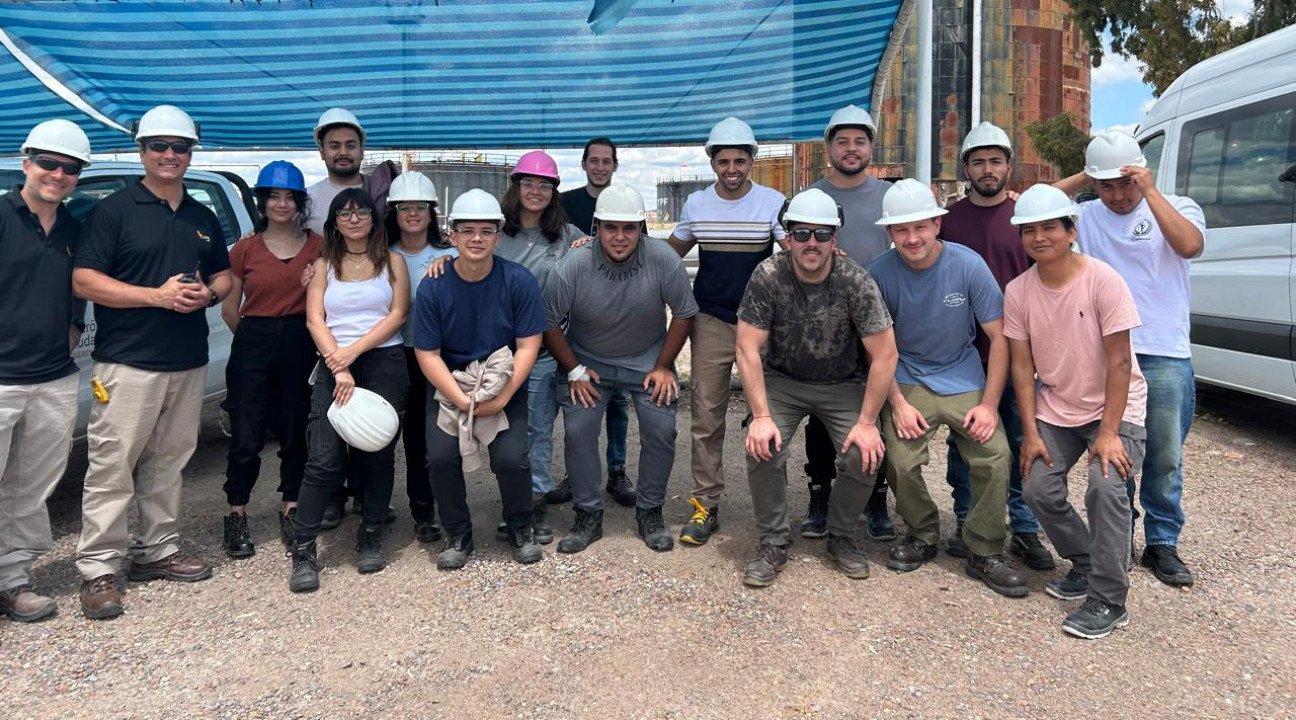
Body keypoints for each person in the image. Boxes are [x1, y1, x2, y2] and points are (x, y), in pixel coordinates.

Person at [73, 105, 231, 619]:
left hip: (187, 360)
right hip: (128, 362)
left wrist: (206, 294)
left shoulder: (203, 216)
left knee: (170, 460)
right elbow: (85, 282)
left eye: (179, 147)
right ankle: (98, 568)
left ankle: (157, 550)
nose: (169, 155)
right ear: (141, 151)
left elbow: (225, 279)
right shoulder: (113, 211)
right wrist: (155, 297)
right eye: (159, 146)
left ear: (190, 154)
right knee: (112, 464)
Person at [1054, 132, 1205, 588]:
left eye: (1126, 184)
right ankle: (1123, 536)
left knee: (1163, 455)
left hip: (1162, 351)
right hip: (1104, 352)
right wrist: (1090, 174)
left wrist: (1151, 191)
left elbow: (1190, 246)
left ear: (1142, 173)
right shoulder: (1084, 214)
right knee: (1117, 453)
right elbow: (1034, 202)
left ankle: (1163, 542)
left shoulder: (1177, 205)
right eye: (1107, 186)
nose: (1118, 196)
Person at [870, 179, 1027, 598]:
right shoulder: (880, 273)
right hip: (906, 377)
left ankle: (984, 547)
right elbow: (878, 351)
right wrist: (898, 404)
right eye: (901, 230)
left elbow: (1000, 338)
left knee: (994, 455)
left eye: (920, 227)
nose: (912, 238)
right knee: (900, 459)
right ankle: (921, 534)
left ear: (938, 224)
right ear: (889, 233)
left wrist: (990, 404)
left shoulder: (968, 264)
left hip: (963, 377)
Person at [1004, 184, 1148, 639]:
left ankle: (1108, 599)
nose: (1039, 237)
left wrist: (1109, 434)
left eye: (1050, 227)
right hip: (1058, 406)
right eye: (1030, 230)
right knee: (1037, 487)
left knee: (1106, 487)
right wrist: (1030, 432)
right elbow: (1022, 368)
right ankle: (1087, 561)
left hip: (1116, 407)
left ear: (1071, 230)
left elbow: (1121, 362)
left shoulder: (1103, 280)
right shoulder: (1018, 290)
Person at [735, 188, 897, 586]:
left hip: (843, 383)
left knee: (864, 453)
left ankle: (840, 535)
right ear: (787, 236)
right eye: (802, 233)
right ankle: (773, 541)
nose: (812, 243)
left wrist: (867, 421)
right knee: (763, 444)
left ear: (834, 239)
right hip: (784, 381)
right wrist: (759, 416)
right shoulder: (768, 276)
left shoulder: (855, 281)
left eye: (822, 234)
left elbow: (885, 354)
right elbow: (747, 347)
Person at [544, 185, 698, 553]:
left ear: (642, 229)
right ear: (596, 228)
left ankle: (650, 511)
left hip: (647, 361)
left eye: (629, 228)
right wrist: (574, 369)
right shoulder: (573, 266)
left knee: (661, 429)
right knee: (579, 430)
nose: (620, 237)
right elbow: (548, 321)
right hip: (588, 363)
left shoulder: (663, 259)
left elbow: (685, 312)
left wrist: (664, 366)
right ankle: (587, 513)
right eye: (610, 227)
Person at [667, 116, 787, 546]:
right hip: (712, 321)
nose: (731, 168)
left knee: (771, 415)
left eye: (739, 160)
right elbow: (669, 254)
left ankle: (772, 512)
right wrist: (604, 248)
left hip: (762, 324)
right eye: (723, 161)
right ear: (712, 163)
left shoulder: (773, 202)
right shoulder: (697, 205)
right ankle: (705, 505)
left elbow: (795, 251)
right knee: (706, 415)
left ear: (752, 161)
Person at [939, 122, 1054, 571]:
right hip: (965, 356)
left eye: (995, 161)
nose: (987, 170)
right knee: (967, 443)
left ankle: (1024, 528)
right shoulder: (947, 221)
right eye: (978, 162)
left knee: (1023, 438)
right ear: (966, 167)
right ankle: (968, 522)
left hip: (1020, 352)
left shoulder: (1027, 219)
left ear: (1010, 165)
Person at [414, 189, 546, 570]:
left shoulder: (517, 281)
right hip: (450, 383)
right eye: (467, 230)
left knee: (511, 458)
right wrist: (457, 398)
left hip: (501, 380)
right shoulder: (434, 286)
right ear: (451, 235)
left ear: (498, 237)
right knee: (439, 457)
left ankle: (521, 526)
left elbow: (527, 346)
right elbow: (428, 353)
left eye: (486, 231)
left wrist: (503, 398)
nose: (476, 238)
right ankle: (457, 532)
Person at [288, 188, 410, 593]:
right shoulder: (323, 265)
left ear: (374, 219)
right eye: (345, 213)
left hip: (382, 363)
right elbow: (313, 318)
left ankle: (371, 531)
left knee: (376, 452)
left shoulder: (392, 262)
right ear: (335, 222)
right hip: (332, 363)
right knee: (323, 457)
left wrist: (353, 352)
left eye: (361, 211)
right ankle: (304, 548)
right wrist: (337, 363)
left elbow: (397, 315)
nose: (354, 218)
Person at [0, 120, 91, 622]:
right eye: (50, 163)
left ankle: (13, 581)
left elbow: (80, 287)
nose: (59, 174)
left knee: (29, 488)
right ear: (26, 161)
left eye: (70, 168)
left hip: (54, 375)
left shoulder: (76, 231)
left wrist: (76, 325)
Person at [801, 104, 896, 541]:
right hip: (824, 321)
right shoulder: (812, 196)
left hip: (879, 322)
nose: (852, 149)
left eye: (860, 141)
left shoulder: (889, 197)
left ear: (871, 147)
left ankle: (874, 495)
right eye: (843, 141)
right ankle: (820, 491)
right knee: (821, 413)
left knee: (871, 412)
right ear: (829, 148)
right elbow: (793, 251)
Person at [219, 160, 322, 558]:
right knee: (247, 435)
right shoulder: (244, 248)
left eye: (289, 197)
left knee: (297, 430)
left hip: (300, 337)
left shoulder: (318, 245)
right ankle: (236, 512)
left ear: (299, 202)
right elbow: (231, 309)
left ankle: (291, 507)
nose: (281, 204)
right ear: (262, 202)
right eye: (273, 197)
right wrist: (253, 343)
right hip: (254, 340)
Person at [557, 137, 633, 508]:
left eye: (607, 161)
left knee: (617, 399)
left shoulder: (627, 203)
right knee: (581, 398)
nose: (600, 167)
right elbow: (553, 246)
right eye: (594, 161)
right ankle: (578, 473)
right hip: (578, 317)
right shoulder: (566, 203)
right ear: (584, 165)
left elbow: (640, 254)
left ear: (615, 166)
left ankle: (617, 471)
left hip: (617, 317)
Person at [385, 171, 456, 545]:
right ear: (394, 213)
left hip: (434, 357)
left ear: (431, 213)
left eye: (420, 207)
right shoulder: (380, 255)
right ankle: (373, 506)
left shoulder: (450, 255)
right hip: (391, 357)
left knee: (426, 440)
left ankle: (427, 510)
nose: (412, 213)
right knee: (384, 438)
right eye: (404, 207)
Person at [305, 108, 367, 236]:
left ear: (361, 151)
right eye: (335, 146)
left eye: (350, 146)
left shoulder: (382, 191)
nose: (343, 152)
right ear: (322, 152)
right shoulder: (307, 199)